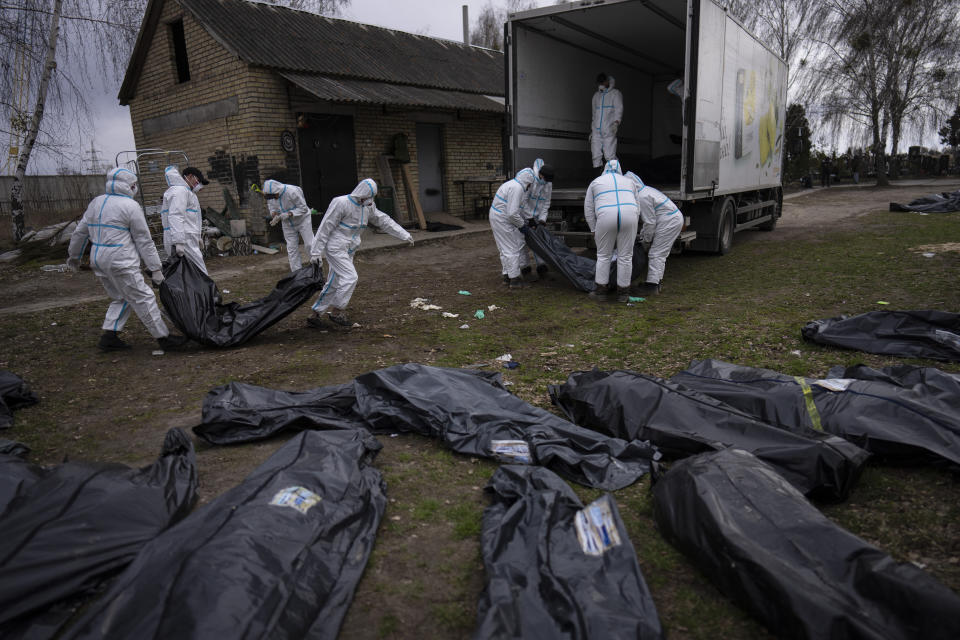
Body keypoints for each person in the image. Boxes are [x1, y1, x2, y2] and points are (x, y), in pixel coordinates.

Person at [66, 167, 189, 352]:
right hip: (120, 261)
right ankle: (164, 338)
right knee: (144, 297)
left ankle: (109, 336)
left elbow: (80, 232)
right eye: (134, 185)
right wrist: (155, 269)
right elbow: (144, 240)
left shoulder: (96, 203)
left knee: (121, 297)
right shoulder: (130, 206)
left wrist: (74, 256)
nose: (135, 188)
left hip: (98, 260)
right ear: (129, 185)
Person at [307, 179, 413, 328]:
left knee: (335, 280)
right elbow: (326, 226)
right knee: (350, 277)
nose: (369, 200)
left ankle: (315, 314)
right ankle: (336, 312)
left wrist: (403, 234)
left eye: (371, 197)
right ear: (360, 193)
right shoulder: (341, 203)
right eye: (367, 197)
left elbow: (383, 220)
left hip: (349, 247)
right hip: (336, 247)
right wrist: (316, 252)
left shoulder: (367, 206)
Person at [584, 159, 639, 302]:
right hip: (629, 215)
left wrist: (593, 228)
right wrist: (634, 223)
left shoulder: (596, 182)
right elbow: (637, 206)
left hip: (605, 216)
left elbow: (588, 208)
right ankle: (623, 294)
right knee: (625, 256)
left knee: (603, 255)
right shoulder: (630, 182)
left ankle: (601, 292)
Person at [626, 171, 683, 296]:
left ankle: (652, 286)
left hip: (669, 221)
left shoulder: (641, 197)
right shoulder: (646, 191)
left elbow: (649, 222)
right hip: (671, 219)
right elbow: (650, 221)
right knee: (659, 253)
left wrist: (645, 240)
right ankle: (655, 282)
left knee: (656, 253)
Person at [489, 169, 536, 288]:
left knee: (504, 249)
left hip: (497, 216)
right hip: (502, 219)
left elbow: (518, 208)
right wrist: (522, 226)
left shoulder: (511, 184)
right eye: (530, 184)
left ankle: (507, 276)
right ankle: (515, 280)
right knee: (512, 249)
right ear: (527, 182)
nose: (529, 187)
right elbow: (512, 213)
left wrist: (528, 218)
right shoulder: (518, 188)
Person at [162, 165, 209, 274]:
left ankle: (198, 290)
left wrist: (198, 237)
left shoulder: (187, 192)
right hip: (183, 238)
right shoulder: (180, 191)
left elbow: (193, 218)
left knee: (186, 273)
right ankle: (206, 291)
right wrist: (179, 241)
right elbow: (176, 215)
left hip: (186, 237)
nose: (200, 185)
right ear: (190, 176)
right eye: (198, 181)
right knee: (199, 271)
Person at [262, 178, 314, 272]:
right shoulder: (272, 196)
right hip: (287, 223)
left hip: (302, 220)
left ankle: (316, 266)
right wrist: (274, 214)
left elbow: (303, 208)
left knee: (309, 244)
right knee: (291, 248)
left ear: (278, 191)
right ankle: (296, 272)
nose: (275, 198)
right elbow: (272, 206)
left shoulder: (292, 191)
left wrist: (289, 214)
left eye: (275, 196)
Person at [520, 159, 555, 277]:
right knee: (522, 241)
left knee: (539, 241)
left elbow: (546, 202)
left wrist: (542, 219)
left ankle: (541, 266)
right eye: (545, 179)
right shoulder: (530, 181)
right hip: (524, 216)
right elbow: (523, 201)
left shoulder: (548, 184)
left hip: (537, 216)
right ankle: (525, 267)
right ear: (540, 175)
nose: (547, 182)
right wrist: (529, 218)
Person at [590, 73, 623, 169]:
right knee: (595, 155)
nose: (601, 84)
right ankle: (599, 178)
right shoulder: (596, 96)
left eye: (603, 82)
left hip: (609, 129)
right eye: (599, 83)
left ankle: (615, 176)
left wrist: (616, 123)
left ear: (607, 81)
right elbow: (594, 114)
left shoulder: (615, 94)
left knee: (609, 155)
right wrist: (592, 129)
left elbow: (618, 109)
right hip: (596, 130)